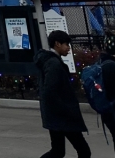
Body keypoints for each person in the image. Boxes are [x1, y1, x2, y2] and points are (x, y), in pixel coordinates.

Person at [35, 30, 89, 158]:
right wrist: (66, 109)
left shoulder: (48, 61)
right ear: (57, 44)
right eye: (66, 45)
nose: (68, 48)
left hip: (55, 115)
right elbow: (50, 90)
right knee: (83, 151)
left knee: (58, 151)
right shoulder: (54, 64)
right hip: (63, 117)